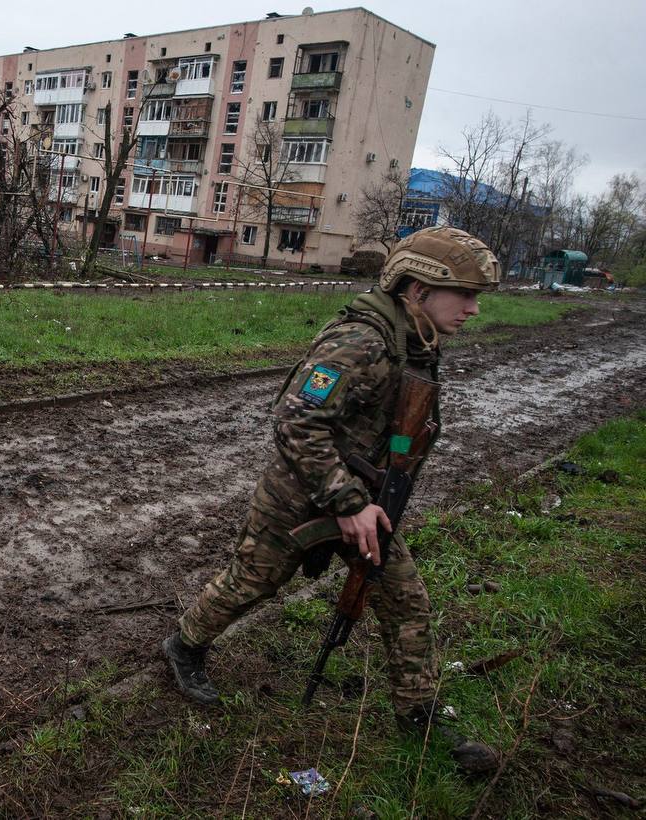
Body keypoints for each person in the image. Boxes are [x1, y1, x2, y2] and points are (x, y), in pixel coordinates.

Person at [161, 227, 502, 773]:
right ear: (417, 289)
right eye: (465, 293)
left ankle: (418, 712)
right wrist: (346, 501)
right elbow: (295, 422)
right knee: (253, 581)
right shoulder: (360, 342)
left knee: (404, 597)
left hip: (362, 499)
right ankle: (185, 645)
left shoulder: (415, 341)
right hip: (299, 494)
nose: (474, 308)